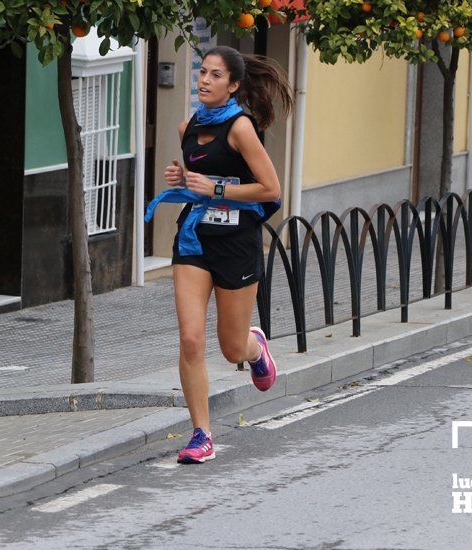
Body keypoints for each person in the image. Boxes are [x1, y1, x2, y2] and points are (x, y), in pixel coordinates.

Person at [147, 45, 293, 464]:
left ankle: (255, 348)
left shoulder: (241, 128)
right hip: (194, 241)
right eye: (203, 73)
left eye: (215, 75)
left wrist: (215, 189)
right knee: (191, 339)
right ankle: (201, 434)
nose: (204, 81)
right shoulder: (187, 126)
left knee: (231, 348)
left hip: (235, 244)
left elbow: (271, 189)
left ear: (232, 85)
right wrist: (182, 177)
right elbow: (199, 175)